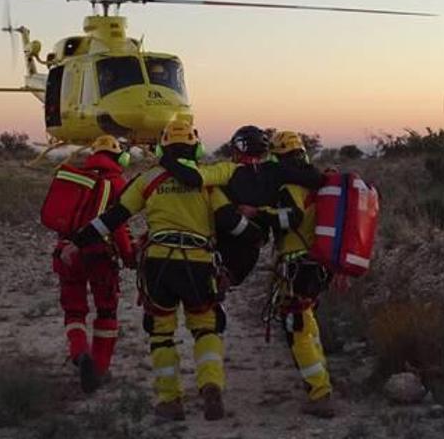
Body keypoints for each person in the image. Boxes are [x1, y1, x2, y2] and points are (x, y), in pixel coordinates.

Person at [63, 120, 229, 422]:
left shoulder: (148, 179)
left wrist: (78, 241)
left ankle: (170, 400)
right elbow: (230, 221)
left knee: (161, 334)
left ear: (163, 147)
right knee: (206, 327)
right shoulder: (206, 182)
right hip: (199, 263)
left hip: (159, 264)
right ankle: (210, 384)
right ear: (197, 148)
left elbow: (114, 217)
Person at [172, 125, 324, 287]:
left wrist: (166, 160)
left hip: (225, 245)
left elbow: (193, 178)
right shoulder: (275, 171)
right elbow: (315, 178)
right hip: (253, 250)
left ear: (238, 148)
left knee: (212, 189)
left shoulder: (227, 169)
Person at [51, 135, 135, 394]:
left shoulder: (76, 179)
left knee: (74, 311)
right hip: (101, 255)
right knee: (106, 312)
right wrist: (130, 256)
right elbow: (117, 226)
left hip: (66, 253)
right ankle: (99, 367)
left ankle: (79, 353)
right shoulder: (117, 183)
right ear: (118, 157)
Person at [264, 130, 336, 418]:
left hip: (296, 264)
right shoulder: (315, 185)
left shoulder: (288, 188)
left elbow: (290, 218)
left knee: (297, 327)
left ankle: (319, 393)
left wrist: (261, 215)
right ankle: (322, 378)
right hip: (317, 264)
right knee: (307, 321)